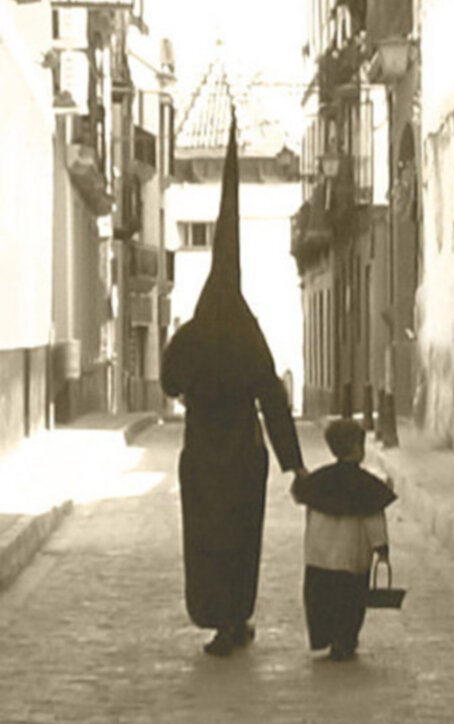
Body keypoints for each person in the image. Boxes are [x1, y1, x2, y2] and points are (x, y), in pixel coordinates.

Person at [161, 111, 306, 657]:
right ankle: (234, 618)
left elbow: (168, 380)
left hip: (202, 453)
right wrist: (294, 464)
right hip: (244, 456)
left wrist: (192, 395)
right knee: (240, 539)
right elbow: (271, 398)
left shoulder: (194, 334)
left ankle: (217, 617)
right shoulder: (248, 333)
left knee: (206, 537)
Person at [292, 419, 396, 661]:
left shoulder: (320, 481)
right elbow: (373, 518)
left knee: (321, 600)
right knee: (350, 602)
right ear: (357, 448)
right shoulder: (366, 486)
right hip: (352, 557)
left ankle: (325, 638)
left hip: (319, 556)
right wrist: (381, 547)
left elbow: (301, 496)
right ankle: (344, 640)